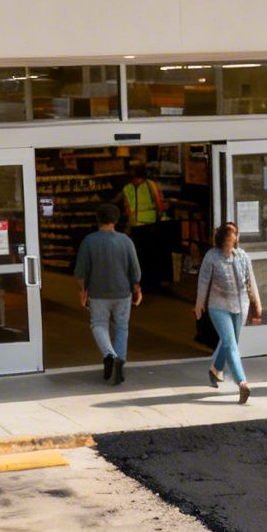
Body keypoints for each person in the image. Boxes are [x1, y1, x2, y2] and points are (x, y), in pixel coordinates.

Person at [72, 203, 142, 386]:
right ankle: (119, 363)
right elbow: (135, 270)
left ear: (98, 219)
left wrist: (82, 290)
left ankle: (109, 355)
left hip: (98, 293)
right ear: (116, 220)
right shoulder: (126, 241)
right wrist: (137, 288)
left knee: (98, 325)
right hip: (122, 292)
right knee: (122, 327)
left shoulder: (89, 241)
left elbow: (80, 272)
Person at [196, 221, 262, 404]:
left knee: (230, 342)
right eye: (228, 237)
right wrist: (199, 304)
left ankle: (215, 369)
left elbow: (251, 281)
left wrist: (257, 303)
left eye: (234, 237)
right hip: (218, 306)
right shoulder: (212, 256)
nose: (231, 241)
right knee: (231, 344)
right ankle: (242, 383)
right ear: (222, 239)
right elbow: (203, 281)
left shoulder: (242, 256)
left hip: (240, 305)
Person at [116, 163, 168, 290]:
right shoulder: (151, 185)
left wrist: (128, 225)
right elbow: (159, 204)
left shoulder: (128, 188)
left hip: (137, 226)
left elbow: (126, 208)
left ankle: (143, 281)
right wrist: (160, 216)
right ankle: (153, 281)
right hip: (150, 224)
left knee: (140, 255)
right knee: (152, 253)